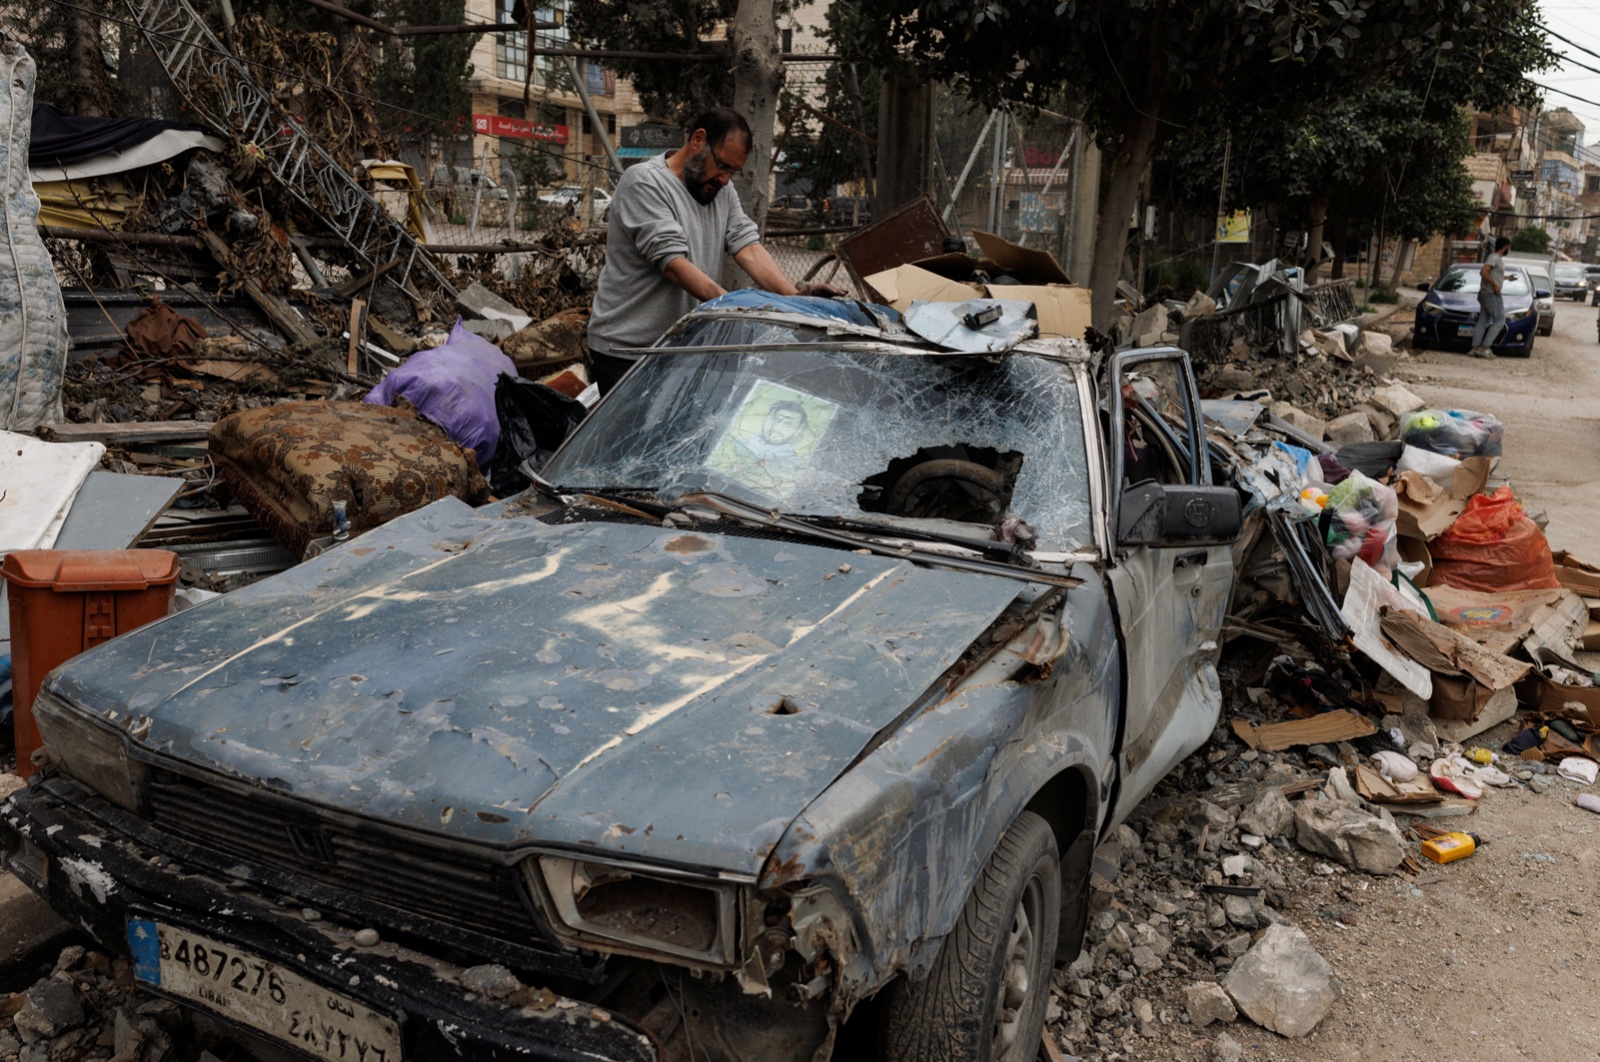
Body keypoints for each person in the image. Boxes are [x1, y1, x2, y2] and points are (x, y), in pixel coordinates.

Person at [585, 106, 846, 394]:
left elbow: (748, 246)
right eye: (722, 166)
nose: (725, 179)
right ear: (698, 140)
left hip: (680, 347)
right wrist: (738, 308)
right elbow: (673, 264)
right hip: (627, 350)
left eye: (732, 172)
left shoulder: (721, 190)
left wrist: (795, 298)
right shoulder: (644, 182)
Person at [1468, 235, 1512, 359]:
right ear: (1505, 247)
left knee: (1483, 321)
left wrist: (1506, 278)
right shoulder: (1495, 258)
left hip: (1485, 294)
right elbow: (1483, 272)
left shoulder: (1494, 258)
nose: (1509, 249)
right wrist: (1495, 285)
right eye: (1509, 247)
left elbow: (1492, 274)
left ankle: (1475, 348)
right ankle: (1485, 348)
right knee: (1499, 321)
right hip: (1491, 294)